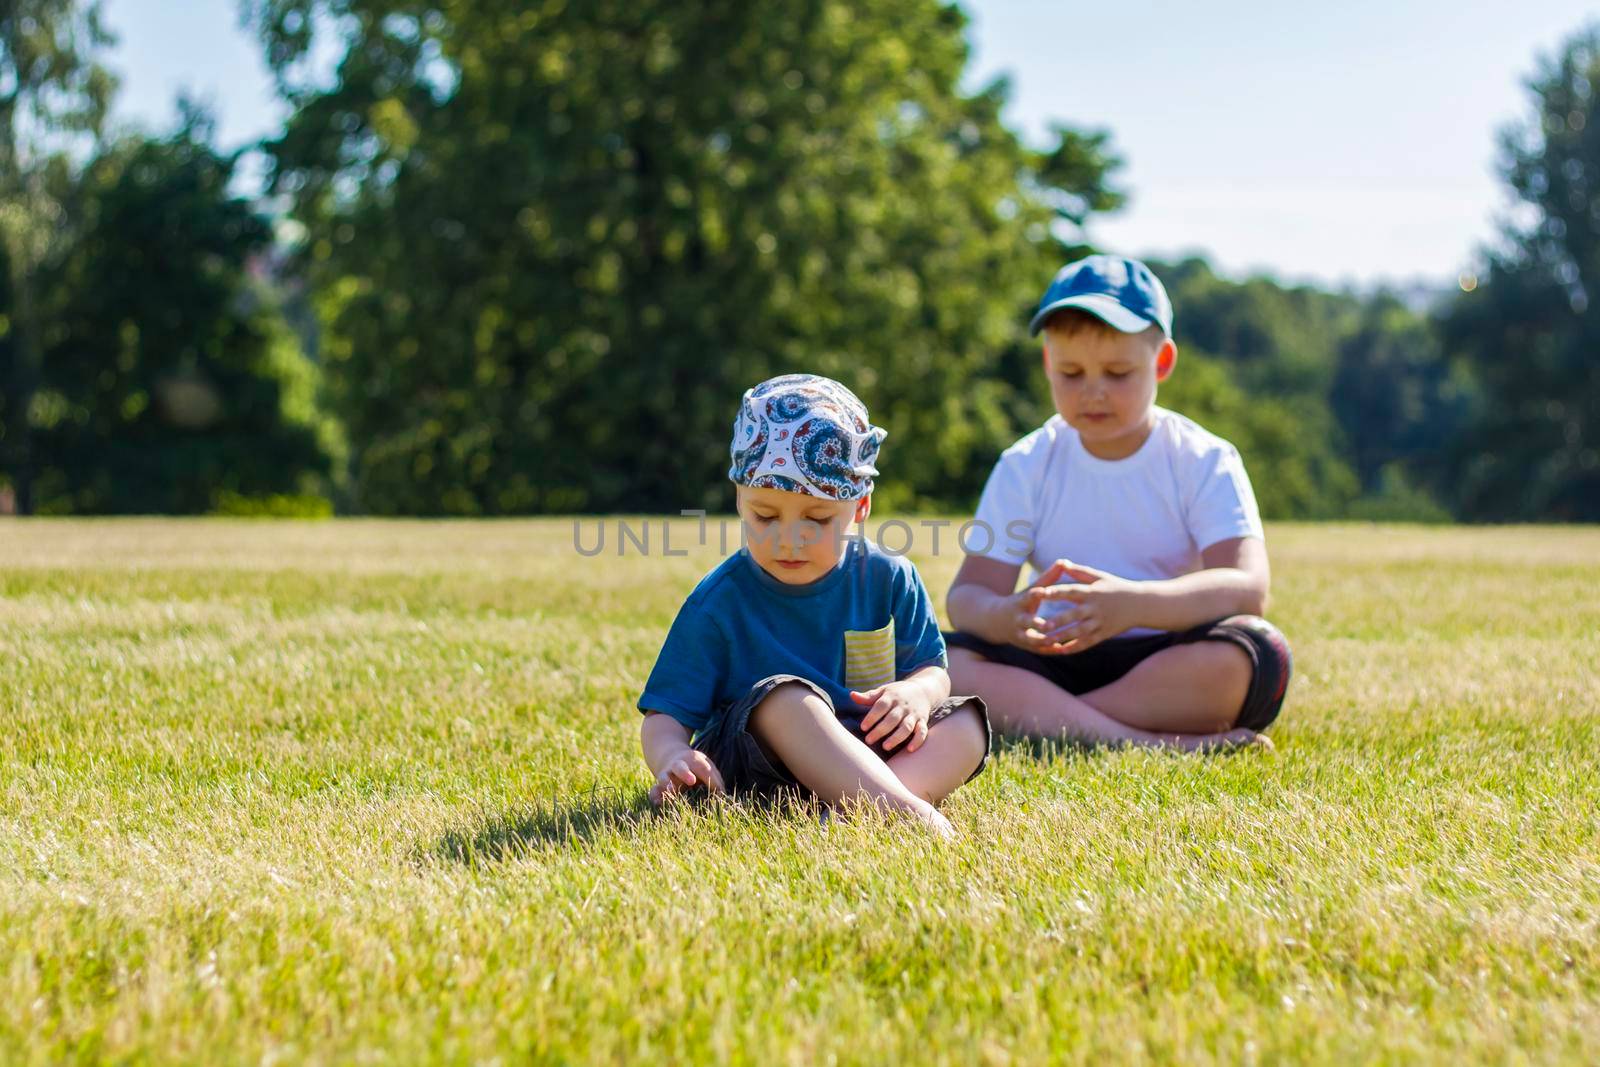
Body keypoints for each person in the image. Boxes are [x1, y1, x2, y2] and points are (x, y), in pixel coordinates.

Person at [945, 255, 1292, 751]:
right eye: (1071, 372)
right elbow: (968, 597)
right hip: (1052, 656)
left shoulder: (1202, 457)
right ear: (1048, 363)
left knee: (1256, 653)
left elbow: (1247, 588)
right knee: (941, 663)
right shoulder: (1026, 463)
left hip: (1164, 654)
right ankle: (1142, 740)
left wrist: (1132, 606)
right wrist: (1007, 617)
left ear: (1162, 362)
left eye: (1117, 372)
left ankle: (1050, 720)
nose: (1093, 392)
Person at [638, 374, 990, 837]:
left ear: (860, 507)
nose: (789, 537)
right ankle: (903, 813)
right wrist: (672, 755)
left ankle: (861, 811)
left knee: (968, 722)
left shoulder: (888, 578)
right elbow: (666, 714)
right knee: (784, 696)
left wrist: (917, 694)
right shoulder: (719, 600)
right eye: (765, 516)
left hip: (868, 744)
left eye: (817, 518)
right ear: (740, 500)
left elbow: (933, 669)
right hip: (760, 766)